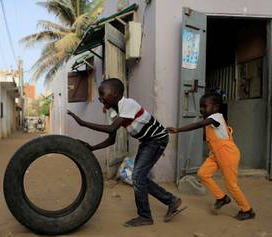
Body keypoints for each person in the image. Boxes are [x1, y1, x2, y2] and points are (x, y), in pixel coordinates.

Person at [67, 78, 185, 227]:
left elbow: (111, 129)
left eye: (102, 94)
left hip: (157, 140)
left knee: (137, 176)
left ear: (115, 94)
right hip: (147, 142)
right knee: (139, 177)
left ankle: (145, 216)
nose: (100, 98)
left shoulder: (128, 104)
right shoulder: (112, 112)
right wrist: (92, 147)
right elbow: (111, 139)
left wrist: (83, 123)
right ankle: (172, 201)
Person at [167, 92, 255, 220]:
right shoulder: (210, 120)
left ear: (216, 107)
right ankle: (221, 197)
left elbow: (198, 125)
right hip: (216, 154)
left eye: (205, 106)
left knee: (231, 185)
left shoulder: (216, 118)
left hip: (227, 154)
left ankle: (247, 209)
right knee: (203, 173)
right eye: (200, 106)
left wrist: (178, 130)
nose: (202, 109)